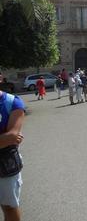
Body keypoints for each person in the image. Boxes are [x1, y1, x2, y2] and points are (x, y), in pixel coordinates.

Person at [0, 90, 26, 221]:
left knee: (9, 207)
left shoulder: (12, 102)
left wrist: (9, 138)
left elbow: (12, 136)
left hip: (5, 166)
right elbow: (8, 138)